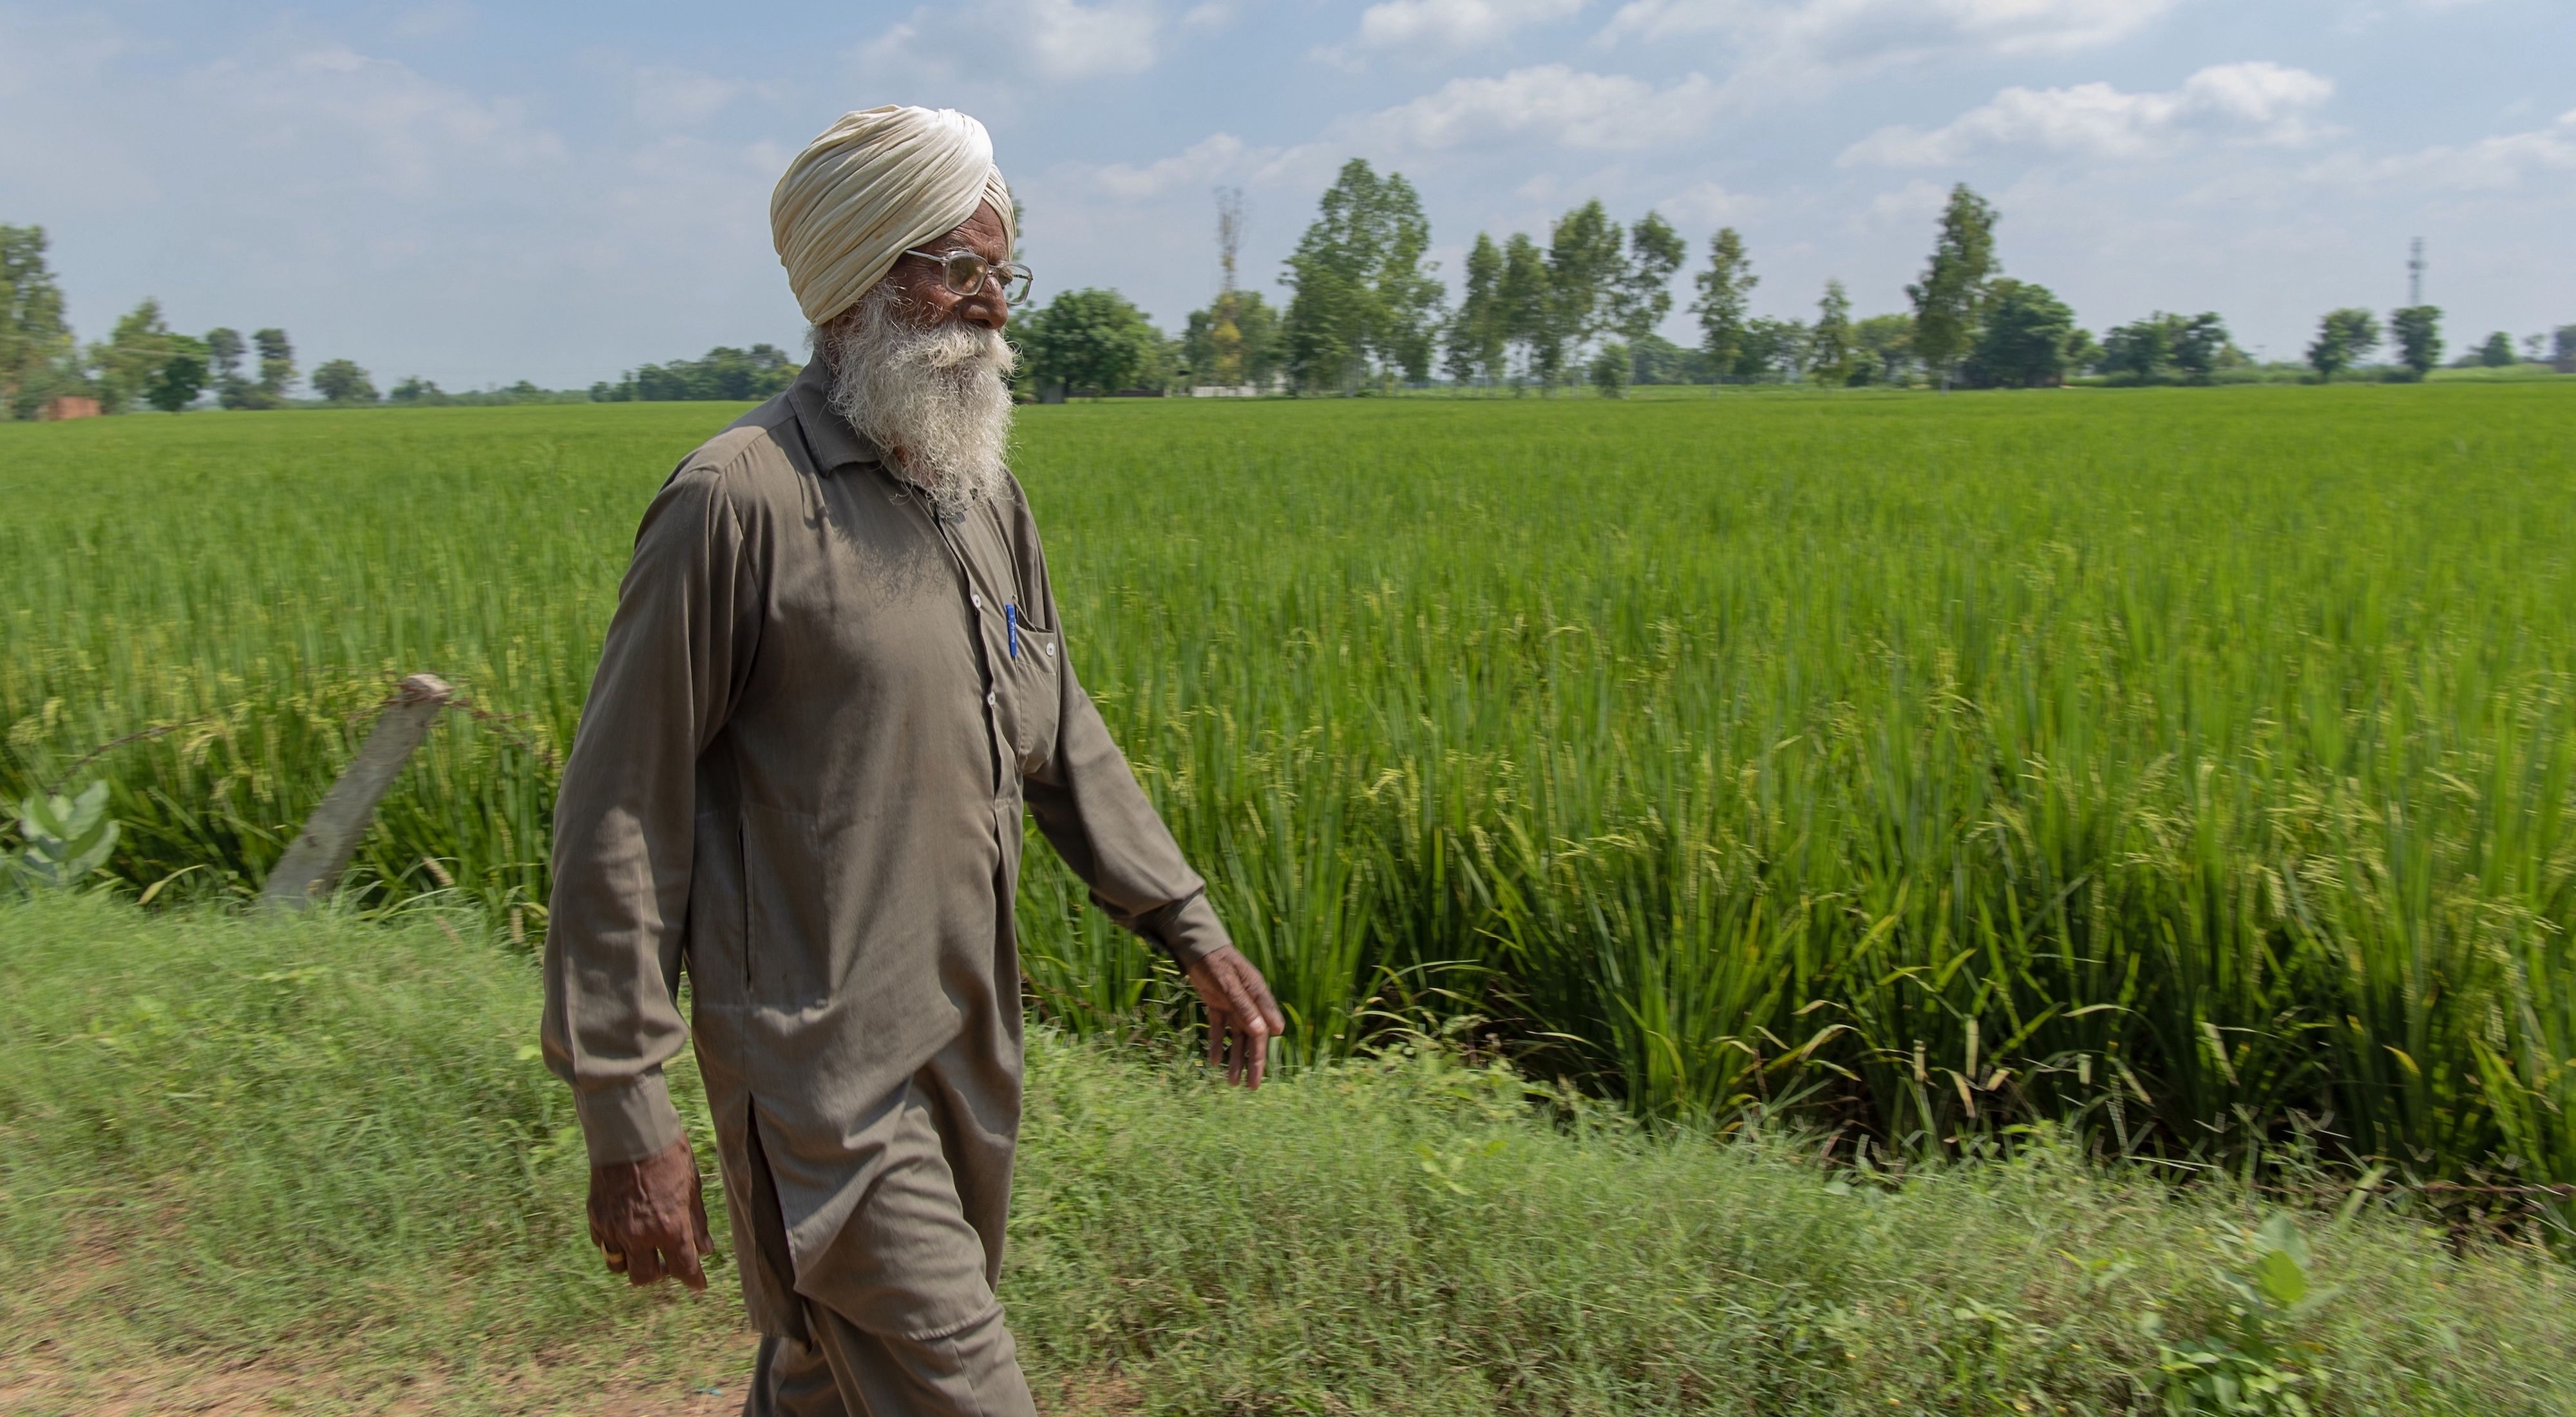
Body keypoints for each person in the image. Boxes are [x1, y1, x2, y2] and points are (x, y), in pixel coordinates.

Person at [540, 104, 1285, 1417]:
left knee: (830, 1382)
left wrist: (1188, 926)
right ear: (858, 283)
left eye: (1004, 273)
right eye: (959, 269)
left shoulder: (979, 496)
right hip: (820, 1086)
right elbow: (619, 809)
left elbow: (1059, 732)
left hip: (967, 1057)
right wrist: (623, 1107)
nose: (993, 307)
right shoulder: (739, 500)